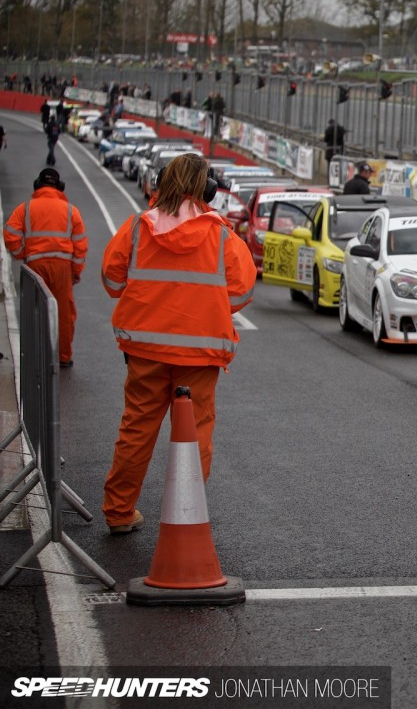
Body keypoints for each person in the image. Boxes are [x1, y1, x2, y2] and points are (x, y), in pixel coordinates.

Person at [99, 153, 256, 534]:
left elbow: (113, 281)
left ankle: (119, 512)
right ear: (207, 190)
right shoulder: (221, 235)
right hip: (200, 354)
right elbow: (241, 292)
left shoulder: (137, 228)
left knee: (136, 429)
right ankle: (187, 513)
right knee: (194, 434)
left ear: (162, 182)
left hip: (144, 350)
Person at [4, 168, 88, 367]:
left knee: (34, 311)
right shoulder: (71, 211)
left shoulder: (25, 209)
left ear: (37, 185)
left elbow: (10, 235)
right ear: (60, 187)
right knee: (63, 313)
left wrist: (22, 254)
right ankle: (63, 357)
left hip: (35, 266)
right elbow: (80, 246)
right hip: (62, 267)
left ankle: (34, 357)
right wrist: (75, 272)